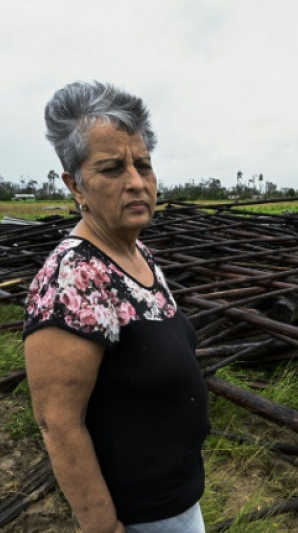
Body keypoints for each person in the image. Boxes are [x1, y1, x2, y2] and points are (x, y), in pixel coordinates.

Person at [23, 81, 209, 533]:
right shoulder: (74, 277)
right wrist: (103, 527)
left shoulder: (137, 253)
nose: (136, 182)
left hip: (178, 498)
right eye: (112, 169)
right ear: (75, 185)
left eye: (143, 165)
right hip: (138, 516)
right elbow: (59, 423)